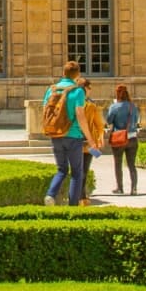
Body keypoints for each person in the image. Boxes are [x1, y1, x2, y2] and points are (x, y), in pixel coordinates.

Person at [43, 61, 102, 207]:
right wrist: (89, 139)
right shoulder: (78, 91)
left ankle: (50, 195)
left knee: (61, 169)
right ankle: (73, 205)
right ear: (77, 75)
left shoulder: (51, 90)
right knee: (77, 172)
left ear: (63, 73)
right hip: (73, 135)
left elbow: (45, 111)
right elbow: (80, 115)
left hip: (56, 134)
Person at [105, 83, 140, 195]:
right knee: (131, 165)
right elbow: (136, 119)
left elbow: (109, 121)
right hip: (132, 138)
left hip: (119, 138)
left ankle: (120, 188)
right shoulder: (132, 106)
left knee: (118, 164)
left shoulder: (114, 106)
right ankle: (134, 188)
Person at [78, 80, 105, 206]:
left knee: (75, 170)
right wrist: (100, 137)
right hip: (88, 143)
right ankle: (82, 197)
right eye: (89, 88)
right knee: (84, 169)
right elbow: (99, 124)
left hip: (73, 141)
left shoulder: (70, 104)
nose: (91, 90)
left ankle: (77, 196)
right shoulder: (91, 106)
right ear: (85, 89)